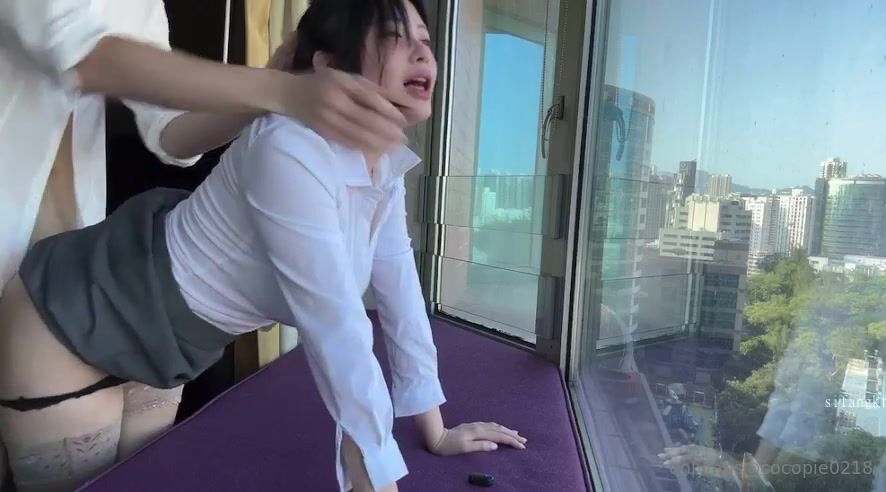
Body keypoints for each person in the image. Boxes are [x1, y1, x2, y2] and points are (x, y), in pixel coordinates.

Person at [0, 0, 528, 491]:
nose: (422, 52)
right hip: (69, 324)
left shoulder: (383, 163)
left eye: (426, 40)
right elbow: (337, 330)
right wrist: (281, 89)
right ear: (326, 65)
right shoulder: (288, 145)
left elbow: (399, 285)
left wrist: (435, 429)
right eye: (395, 36)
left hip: (165, 353)